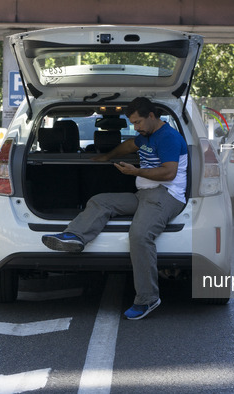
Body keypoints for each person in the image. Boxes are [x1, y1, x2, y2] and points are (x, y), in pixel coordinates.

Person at [41, 97, 188, 320]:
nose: (135, 127)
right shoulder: (147, 135)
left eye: (138, 122)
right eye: (133, 123)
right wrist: (107, 156)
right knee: (102, 201)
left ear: (151, 116)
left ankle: (148, 299)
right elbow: (130, 145)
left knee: (139, 236)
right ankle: (76, 236)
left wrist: (135, 172)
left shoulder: (168, 137)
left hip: (166, 196)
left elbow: (169, 173)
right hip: (144, 194)